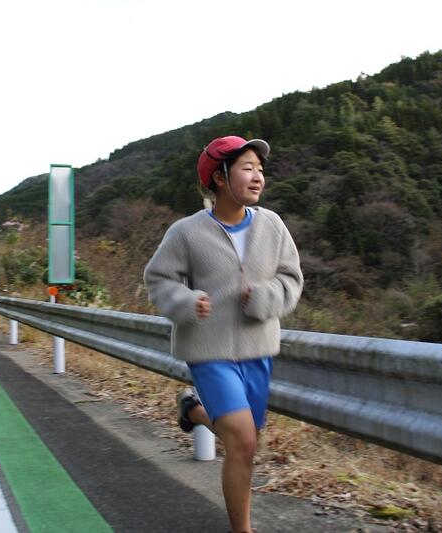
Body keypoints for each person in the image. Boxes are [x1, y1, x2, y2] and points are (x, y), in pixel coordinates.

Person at [144, 136, 303, 533]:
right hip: (208, 351)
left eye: (260, 170)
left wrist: (265, 296)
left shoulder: (272, 225)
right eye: (247, 168)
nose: (258, 177)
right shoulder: (187, 232)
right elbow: (159, 279)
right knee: (244, 441)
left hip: (258, 349)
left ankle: (193, 410)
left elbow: (291, 279)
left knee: (243, 443)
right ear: (219, 177)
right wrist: (186, 302)